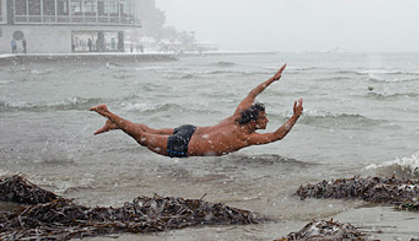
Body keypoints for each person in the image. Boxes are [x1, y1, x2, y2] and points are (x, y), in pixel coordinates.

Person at [91, 64, 303, 157]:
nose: (267, 121)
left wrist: (272, 80)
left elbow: (251, 94)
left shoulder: (237, 117)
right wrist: (294, 116)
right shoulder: (245, 138)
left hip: (189, 131)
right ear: (254, 121)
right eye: (263, 118)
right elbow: (277, 136)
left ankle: (114, 124)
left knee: (150, 130)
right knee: (142, 137)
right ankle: (109, 115)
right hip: (184, 145)